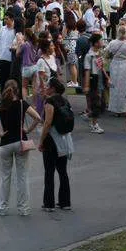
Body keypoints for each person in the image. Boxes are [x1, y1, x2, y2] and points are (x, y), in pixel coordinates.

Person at [0, 79, 41, 216]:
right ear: (17, 91)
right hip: (21, 141)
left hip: (5, 143)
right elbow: (38, 118)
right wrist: (28, 130)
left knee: (5, 176)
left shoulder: (0, 105)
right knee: (22, 176)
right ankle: (23, 208)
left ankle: (2, 207)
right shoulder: (22, 104)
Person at [39, 77, 75, 211]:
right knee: (62, 171)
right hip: (64, 139)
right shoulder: (65, 101)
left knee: (49, 171)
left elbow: (48, 122)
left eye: (47, 86)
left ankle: (49, 203)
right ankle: (65, 202)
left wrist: (41, 141)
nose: (45, 88)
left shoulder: (50, 102)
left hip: (51, 139)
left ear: (52, 88)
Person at [104, 27, 126, 115]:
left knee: (115, 86)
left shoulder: (112, 43)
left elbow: (107, 55)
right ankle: (125, 109)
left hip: (114, 65)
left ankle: (115, 109)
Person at [82, 33, 106, 134]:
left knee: (100, 102)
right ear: (96, 43)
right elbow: (87, 71)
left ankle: (89, 115)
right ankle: (94, 124)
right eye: (101, 41)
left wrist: (107, 78)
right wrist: (87, 85)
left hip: (99, 78)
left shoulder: (99, 53)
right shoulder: (89, 56)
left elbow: (101, 67)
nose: (102, 42)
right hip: (93, 80)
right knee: (96, 102)